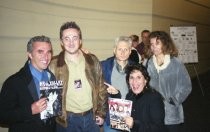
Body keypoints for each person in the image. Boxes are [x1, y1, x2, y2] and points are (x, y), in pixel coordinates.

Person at [49, 21, 107, 132]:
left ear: (80, 41)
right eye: (67, 38)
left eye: (75, 38)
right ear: (61, 42)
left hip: (92, 118)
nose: (71, 42)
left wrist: (101, 112)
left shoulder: (92, 60)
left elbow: (101, 89)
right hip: (67, 121)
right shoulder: (53, 64)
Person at [0, 35, 56, 132]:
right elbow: (2, 116)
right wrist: (30, 110)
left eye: (49, 52)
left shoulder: (51, 77)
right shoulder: (14, 82)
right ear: (30, 54)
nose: (46, 57)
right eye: (40, 51)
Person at [147, 31, 192, 132]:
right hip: (153, 112)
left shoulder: (176, 63)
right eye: (152, 44)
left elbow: (186, 86)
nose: (154, 47)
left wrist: (174, 100)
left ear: (165, 43)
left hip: (171, 113)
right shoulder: (149, 63)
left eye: (157, 43)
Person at [101, 36, 136, 132]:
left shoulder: (136, 68)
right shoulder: (104, 66)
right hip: (111, 117)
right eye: (120, 49)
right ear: (114, 50)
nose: (123, 52)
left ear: (130, 51)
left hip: (130, 117)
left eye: (126, 49)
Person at [124, 64, 166, 132]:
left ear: (145, 80)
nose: (134, 81)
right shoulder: (129, 96)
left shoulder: (154, 98)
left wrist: (134, 125)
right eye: (131, 77)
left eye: (138, 77)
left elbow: (158, 128)